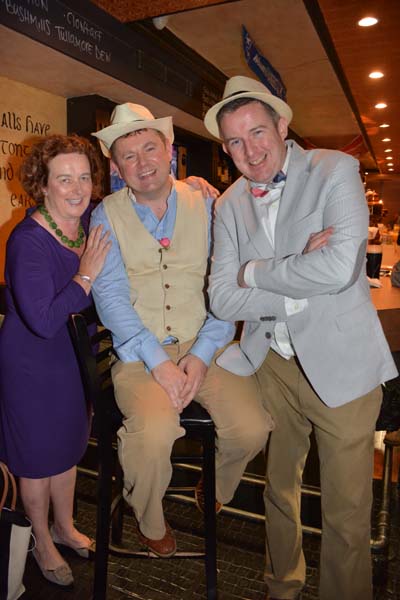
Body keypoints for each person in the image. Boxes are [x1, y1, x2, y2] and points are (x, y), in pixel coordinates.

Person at [204, 75, 398, 600]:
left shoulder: (335, 169)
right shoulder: (227, 205)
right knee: (279, 492)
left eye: (258, 132)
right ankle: (282, 586)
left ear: (282, 126)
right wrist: (296, 273)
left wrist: (254, 272)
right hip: (273, 365)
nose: (251, 150)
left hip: (342, 363)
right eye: (236, 141)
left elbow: (337, 269)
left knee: (346, 510)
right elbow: (222, 299)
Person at [90, 102, 273, 557]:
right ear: (115, 165)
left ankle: (215, 490)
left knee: (253, 428)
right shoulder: (104, 215)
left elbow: (225, 286)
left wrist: (201, 353)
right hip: (138, 350)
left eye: (150, 148)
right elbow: (109, 297)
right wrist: (158, 363)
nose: (142, 163)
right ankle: (150, 518)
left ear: (169, 149)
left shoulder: (211, 204)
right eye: (128, 155)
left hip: (202, 342)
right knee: (152, 434)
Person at [0, 134, 111, 586]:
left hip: (71, 362)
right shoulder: (28, 240)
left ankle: (64, 527)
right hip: (32, 365)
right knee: (36, 460)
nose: (76, 187)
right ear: (42, 185)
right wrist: (86, 275)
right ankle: (41, 540)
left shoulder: (83, 224)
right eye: (63, 178)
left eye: (83, 177)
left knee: (67, 450)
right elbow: (44, 320)